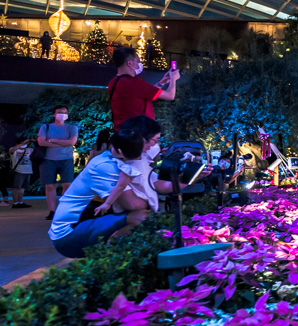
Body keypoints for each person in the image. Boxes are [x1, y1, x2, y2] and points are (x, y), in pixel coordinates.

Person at [48, 116, 193, 258]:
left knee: (144, 217)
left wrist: (192, 176)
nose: (153, 146)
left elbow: (157, 185)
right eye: (153, 141)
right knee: (140, 217)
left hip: (90, 221)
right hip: (68, 233)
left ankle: (116, 257)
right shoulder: (106, 166)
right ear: (139, 139)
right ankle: (112, 260)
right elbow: (133, 204)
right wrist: (150, 200)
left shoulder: (129, 160)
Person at [108, 47, 178, 129]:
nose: (140, 64)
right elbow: (170, 95)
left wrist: (162, 81)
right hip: (138, 135)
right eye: (138, 61)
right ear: (130, 63)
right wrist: (174, 78)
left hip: (124, 133)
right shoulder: (134, 83)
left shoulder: (113, 82)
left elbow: (145, 94)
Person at [93, 131, 158, 217]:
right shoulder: (143, 160)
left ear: (119, 151)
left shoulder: (126, 169)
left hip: (138, 205)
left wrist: (107, 204)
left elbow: (120, 186)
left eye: (112, 146)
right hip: (151, 200)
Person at [37, 106, 78, 219]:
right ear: (54, 114)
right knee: (50, 186)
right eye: (60, 112)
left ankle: (63, 210)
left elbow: (72, 142)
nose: (62, 114)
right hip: (48, 160)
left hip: (66, 159)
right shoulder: (45, 127)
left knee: (67, 185)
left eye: (65, 112)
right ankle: (52, 211)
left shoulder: (72, 127)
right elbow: (41, 142)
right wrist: (64, 143)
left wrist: (53, 140)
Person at [9, 138, 34, 208]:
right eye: (24, 142)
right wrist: (23, 143)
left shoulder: (29, 150)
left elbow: (37, 150)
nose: (25, 144)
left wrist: (33, 141)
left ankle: (20, 202)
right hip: (18, 171)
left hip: (28, 171)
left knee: (22, 188)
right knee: (16, 188)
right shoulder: (14, 149)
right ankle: (15, 203)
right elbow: (11, 150)